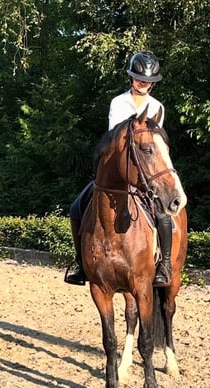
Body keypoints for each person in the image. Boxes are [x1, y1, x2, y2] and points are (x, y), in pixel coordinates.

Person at [65, 51, 174, 287]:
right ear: (131, 78)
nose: (142, 83)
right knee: (76, 208)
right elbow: (115, 139)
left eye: (147, 80)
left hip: (142, 171)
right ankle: (80, 263)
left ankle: (165, 264)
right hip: (116, 169)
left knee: (163, 215)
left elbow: (153, 144)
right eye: (138, 78)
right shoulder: (118, 102)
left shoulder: (157, 107)